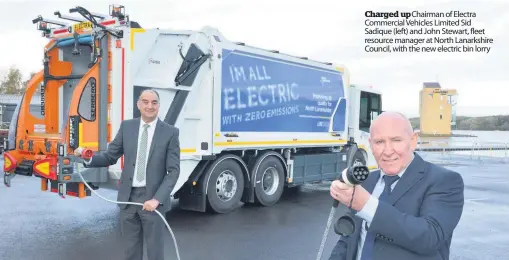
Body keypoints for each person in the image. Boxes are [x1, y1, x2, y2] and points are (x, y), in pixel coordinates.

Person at [328, 111, 464, 260]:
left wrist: (367, 206)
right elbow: (348, 239)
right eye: (379, 142)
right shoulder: (367, 181)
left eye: (396, 140)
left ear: (413, 140)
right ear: (371, 144)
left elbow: (430, 237)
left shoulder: (444, 181)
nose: (387, 151)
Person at [75, 89, 180, 260]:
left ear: (159, 106)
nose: (149, 106)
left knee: (155, 253)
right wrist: (88, 159)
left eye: (154, 102)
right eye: (145, 102)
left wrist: (157, 199)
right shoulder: (127, 127)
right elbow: (110, 156)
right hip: (128, 199)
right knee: (130, 252)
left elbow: (173, 171)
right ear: (138, 104)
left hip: (152, 200)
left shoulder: (170, 132)